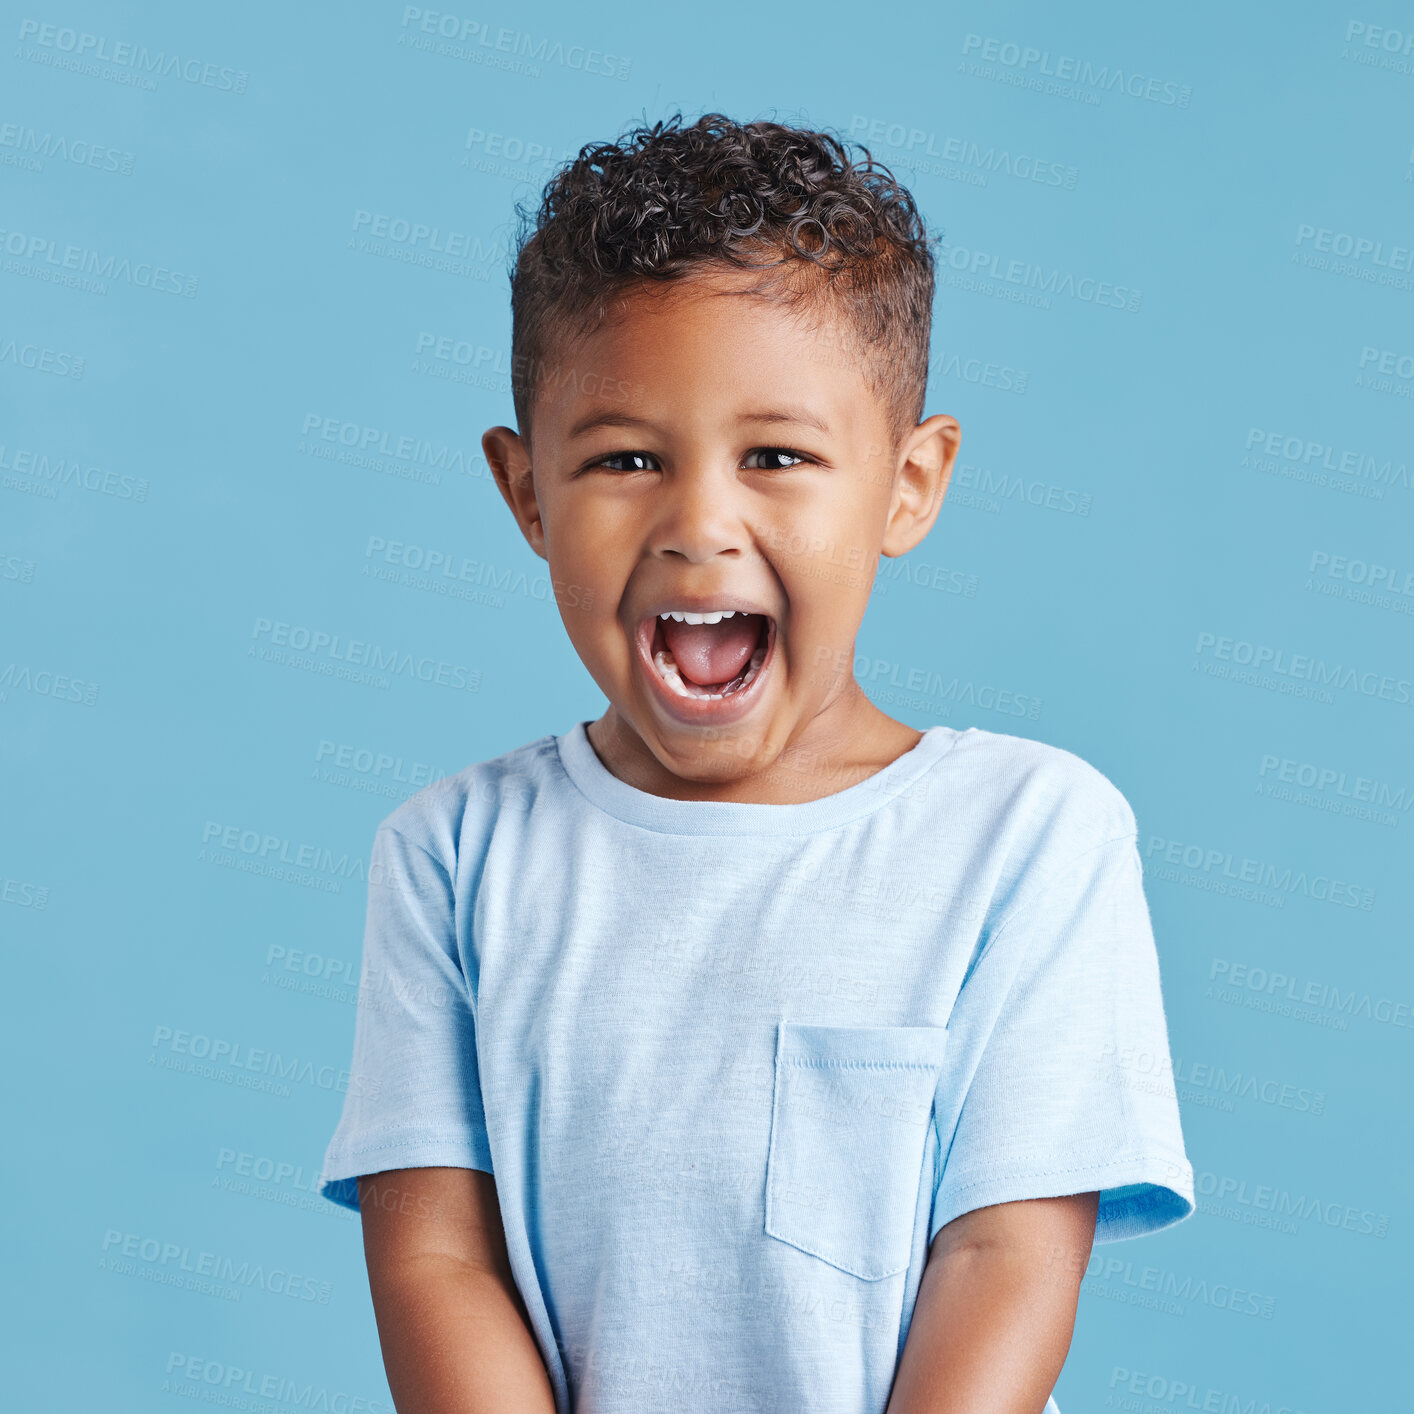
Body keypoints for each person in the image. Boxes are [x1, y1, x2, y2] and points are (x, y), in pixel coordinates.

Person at [319, 112, 1194, 1414]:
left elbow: (1004, 1253)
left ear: (908, 483)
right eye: (625, 459)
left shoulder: (1029, 835)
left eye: (775, 456)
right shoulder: (451, 855)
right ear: (526, 497)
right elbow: (436, 1254)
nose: (697, 527)